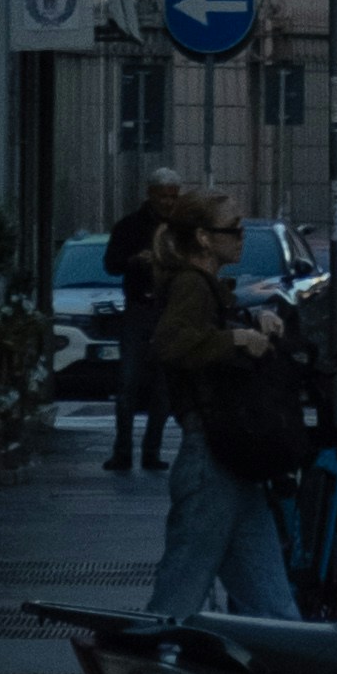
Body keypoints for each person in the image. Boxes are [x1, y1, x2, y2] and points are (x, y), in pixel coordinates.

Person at [139, 190, 295, 628]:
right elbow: (171, 343)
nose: (242, 237)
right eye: (233, 229)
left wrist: (251, 321)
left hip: (228, 458)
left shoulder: (205, 286)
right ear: (205, 238)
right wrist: (239, 340)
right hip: (212, 455)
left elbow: (204, 335)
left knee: (270, 604)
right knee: (179, 596)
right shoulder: (191, 283)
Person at [99, 176, 173, 479]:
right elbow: (112, 263)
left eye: (173, 196)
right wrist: (134, 260)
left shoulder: (179, 228)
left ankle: (150, 451)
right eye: (164, 196)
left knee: (163, 387)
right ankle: (123, 451)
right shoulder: (130, 226)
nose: (169, 202)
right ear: (151, 195)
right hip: (139, 308)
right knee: (127, 384)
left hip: (166, 310)